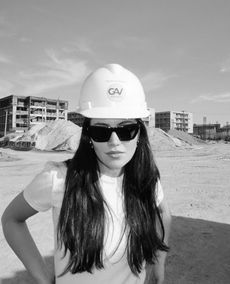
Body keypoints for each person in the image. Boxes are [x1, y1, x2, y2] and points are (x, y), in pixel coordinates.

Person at [1, 63, 171, 284]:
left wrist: (158, 264)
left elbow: (163, 213)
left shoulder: (146, 178)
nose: (114, 141)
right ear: (88, 136)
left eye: (126, 129)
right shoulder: (60, 179)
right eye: (101, 131)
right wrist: (43, 278)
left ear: (140, 134)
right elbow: (12, 219)